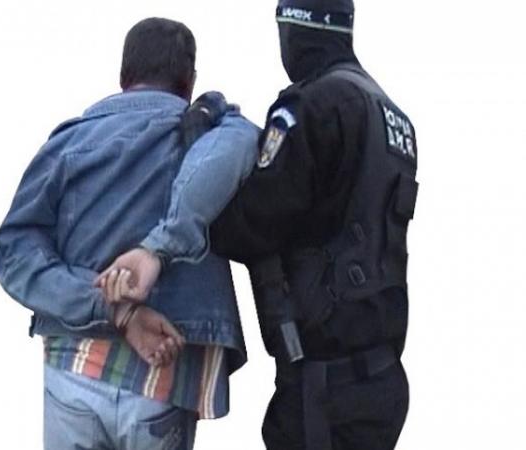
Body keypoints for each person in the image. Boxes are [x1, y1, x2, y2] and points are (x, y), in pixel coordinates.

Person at [97, 1, 418, 449]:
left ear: (298, 31)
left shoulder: (313, 105)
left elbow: (252, 223)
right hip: (380, 377)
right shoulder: (393, 117)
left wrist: (201, 154)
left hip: (325, 384)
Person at [0, 17, 259, 450]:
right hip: (163, 372)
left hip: (72, 368)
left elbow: (14, 253)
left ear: (123, 76)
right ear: (189, 81)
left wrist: (107, 305)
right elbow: (246, 141)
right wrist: (216, 108)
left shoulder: (67, 143)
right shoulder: (214, 135)